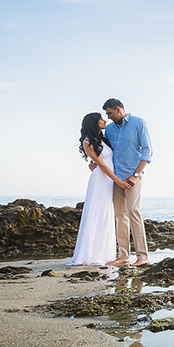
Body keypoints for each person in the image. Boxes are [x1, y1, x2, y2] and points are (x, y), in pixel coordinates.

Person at [69, 112, 132, 266]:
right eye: (101, 119)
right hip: (100, 181)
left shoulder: (103, 139)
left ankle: (105, 253)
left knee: (107, 214)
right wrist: (118, 181)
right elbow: (102, 165)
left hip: (109, 179)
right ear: (94, 123)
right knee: (97, 214)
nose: (105, 120)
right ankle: (92, 254)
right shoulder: (87, 142)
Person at [102, 98, 153, 266]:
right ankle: (123, 256)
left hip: (133, 177)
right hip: (116, 178)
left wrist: (136, 174)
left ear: (118, 109)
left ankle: (143, 256)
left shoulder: (138, 123)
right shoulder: (109, 130)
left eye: (109, 113)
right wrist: (95, 161)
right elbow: (104, 150)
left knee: (133, 212)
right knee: (120, 216)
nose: (108, 117)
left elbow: (147, 151)